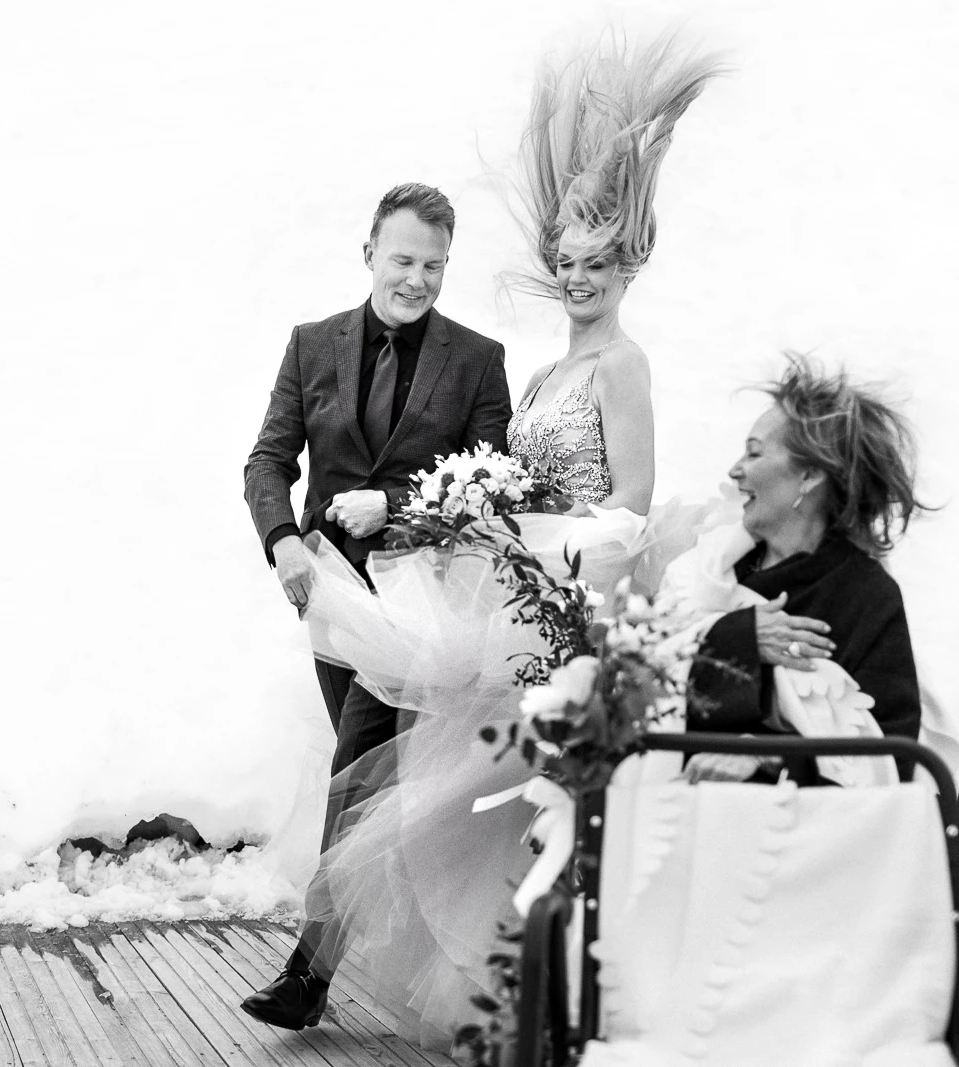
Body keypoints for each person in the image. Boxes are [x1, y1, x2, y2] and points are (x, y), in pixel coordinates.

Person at [277, 35, 725, 1050]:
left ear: (627, 267)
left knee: (488, 793)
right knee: (450, 794)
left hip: (559, 603)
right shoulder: (540, 377)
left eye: (596, 265)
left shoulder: (622, 365)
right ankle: (477, 981)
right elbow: (511, 479)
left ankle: (525, 987)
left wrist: (545, 561)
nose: (577, 279)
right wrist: (477, 524)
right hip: (504, 598)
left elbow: (632, 500)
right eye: (566, 264)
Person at [240, 182, 513, 1028]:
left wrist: (392, 505)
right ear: (369, 254)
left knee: (355, 770)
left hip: (422, 610)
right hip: (330, 602)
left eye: (434, 266)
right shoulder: (310, 344)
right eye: (403, 260)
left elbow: (493, 490)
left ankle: (309, 974)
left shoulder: (478, 360)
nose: (417, 280)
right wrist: (282, 540)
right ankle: (443, 956)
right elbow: (267, 460)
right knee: (378, 786)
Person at [680, 356, 930, 784]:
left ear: (810, 476)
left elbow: (889, 755)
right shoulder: (708, 569)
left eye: (754, 453)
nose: (734, 470)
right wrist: (738, 639)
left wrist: (769, 759)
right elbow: (648, 688)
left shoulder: (865, 594)